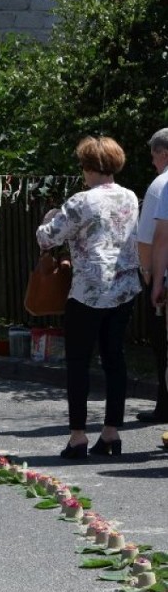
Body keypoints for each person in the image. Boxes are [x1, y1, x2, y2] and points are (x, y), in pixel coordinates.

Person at [37, 135, 140, 459]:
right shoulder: (130, 197)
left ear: (88, 166)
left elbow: (48, 238)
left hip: (88, 291)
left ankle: (78, 435)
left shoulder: (82, 201)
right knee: (115, 360)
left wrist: (48, 219)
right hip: (124, 287)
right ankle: (111, 432)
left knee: (79, 364)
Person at [137, 127, 168, 423]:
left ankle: (164, 405)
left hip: (164, 275)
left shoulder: (161, 184)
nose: (152, 162)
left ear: (164, 154)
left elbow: (149, 239)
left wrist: (149, 274)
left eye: (153, 155)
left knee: (162, 346)